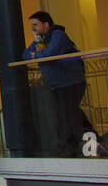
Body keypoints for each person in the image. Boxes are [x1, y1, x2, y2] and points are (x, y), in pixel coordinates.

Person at [23, 11, 88, 157]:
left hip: (71, 82)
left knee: (68, 116)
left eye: (35, 25)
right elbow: (26, 54)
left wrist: (37, 55)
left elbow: (50, 54)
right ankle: (79, 145)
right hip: (57, 85)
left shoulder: (58, 35)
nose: (33, 29)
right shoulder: (40, 40)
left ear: (46, 25)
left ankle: (74, 148)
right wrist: (37, 54)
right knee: (67, 115)